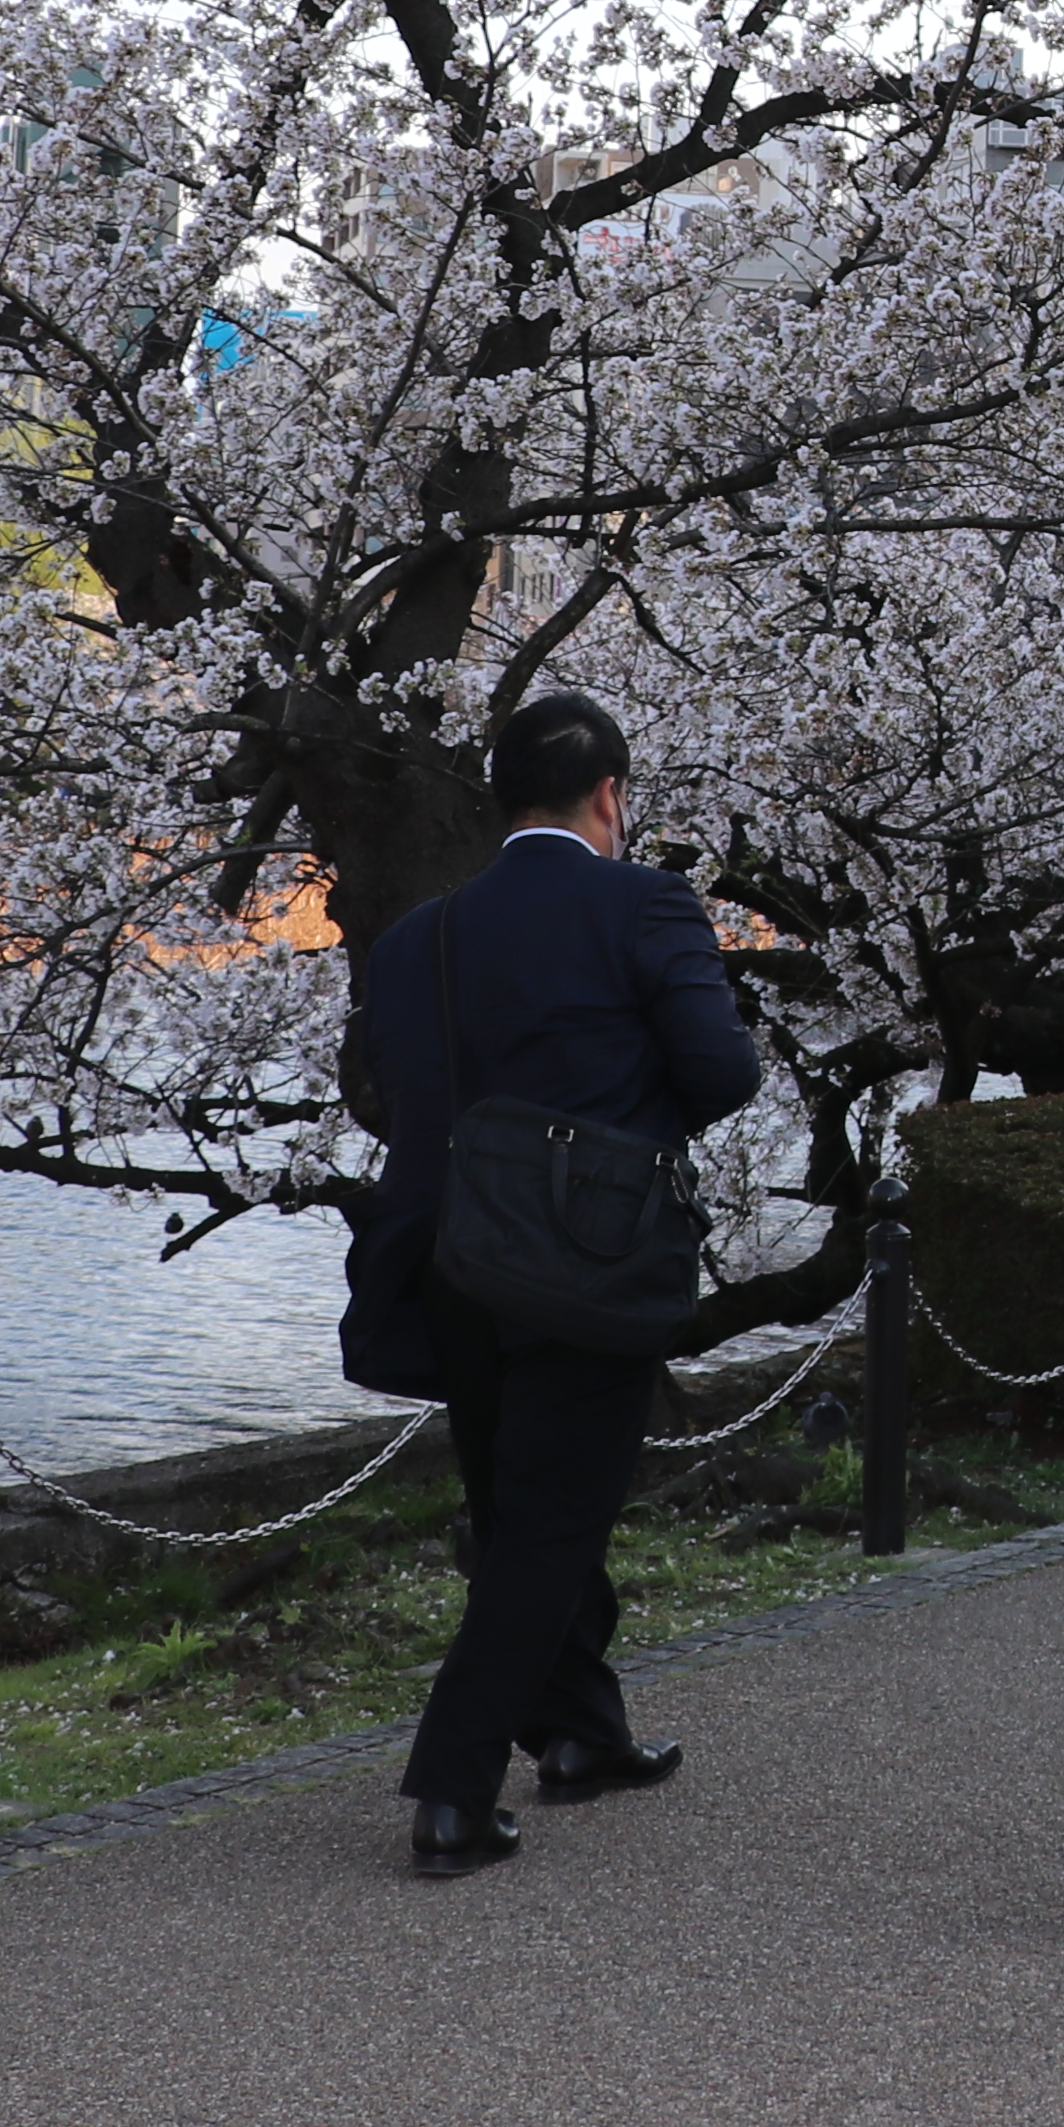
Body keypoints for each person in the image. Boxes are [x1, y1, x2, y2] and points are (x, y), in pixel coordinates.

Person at [344, 688, 763, 1878]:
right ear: (611, 798)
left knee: (525, 1504)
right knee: (550, 1523)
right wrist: (620, 1133)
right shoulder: (644, 902)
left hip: (454, 1259)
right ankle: (451, 1788)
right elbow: (722, 1071)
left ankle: (582, 1733)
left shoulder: (416, 935)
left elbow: (397, 1090)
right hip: (583, 1258)